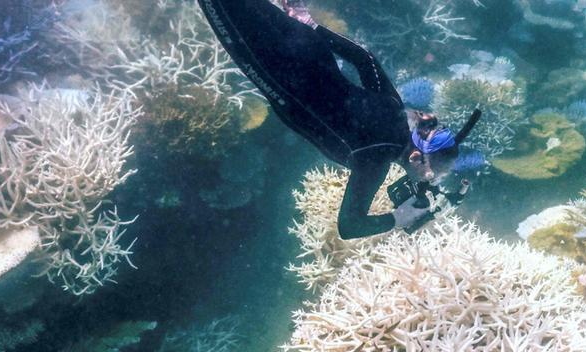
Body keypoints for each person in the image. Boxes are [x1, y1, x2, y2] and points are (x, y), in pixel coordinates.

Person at [195, 0, 480, 238]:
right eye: (434, 174)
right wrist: (399, 218)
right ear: (417, 159)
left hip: (305, 44)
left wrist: (313, 26)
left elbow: (363, 58)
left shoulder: (394, 106)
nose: (431, 181)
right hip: (275, 67)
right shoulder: (374, 161)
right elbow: (349, 226)